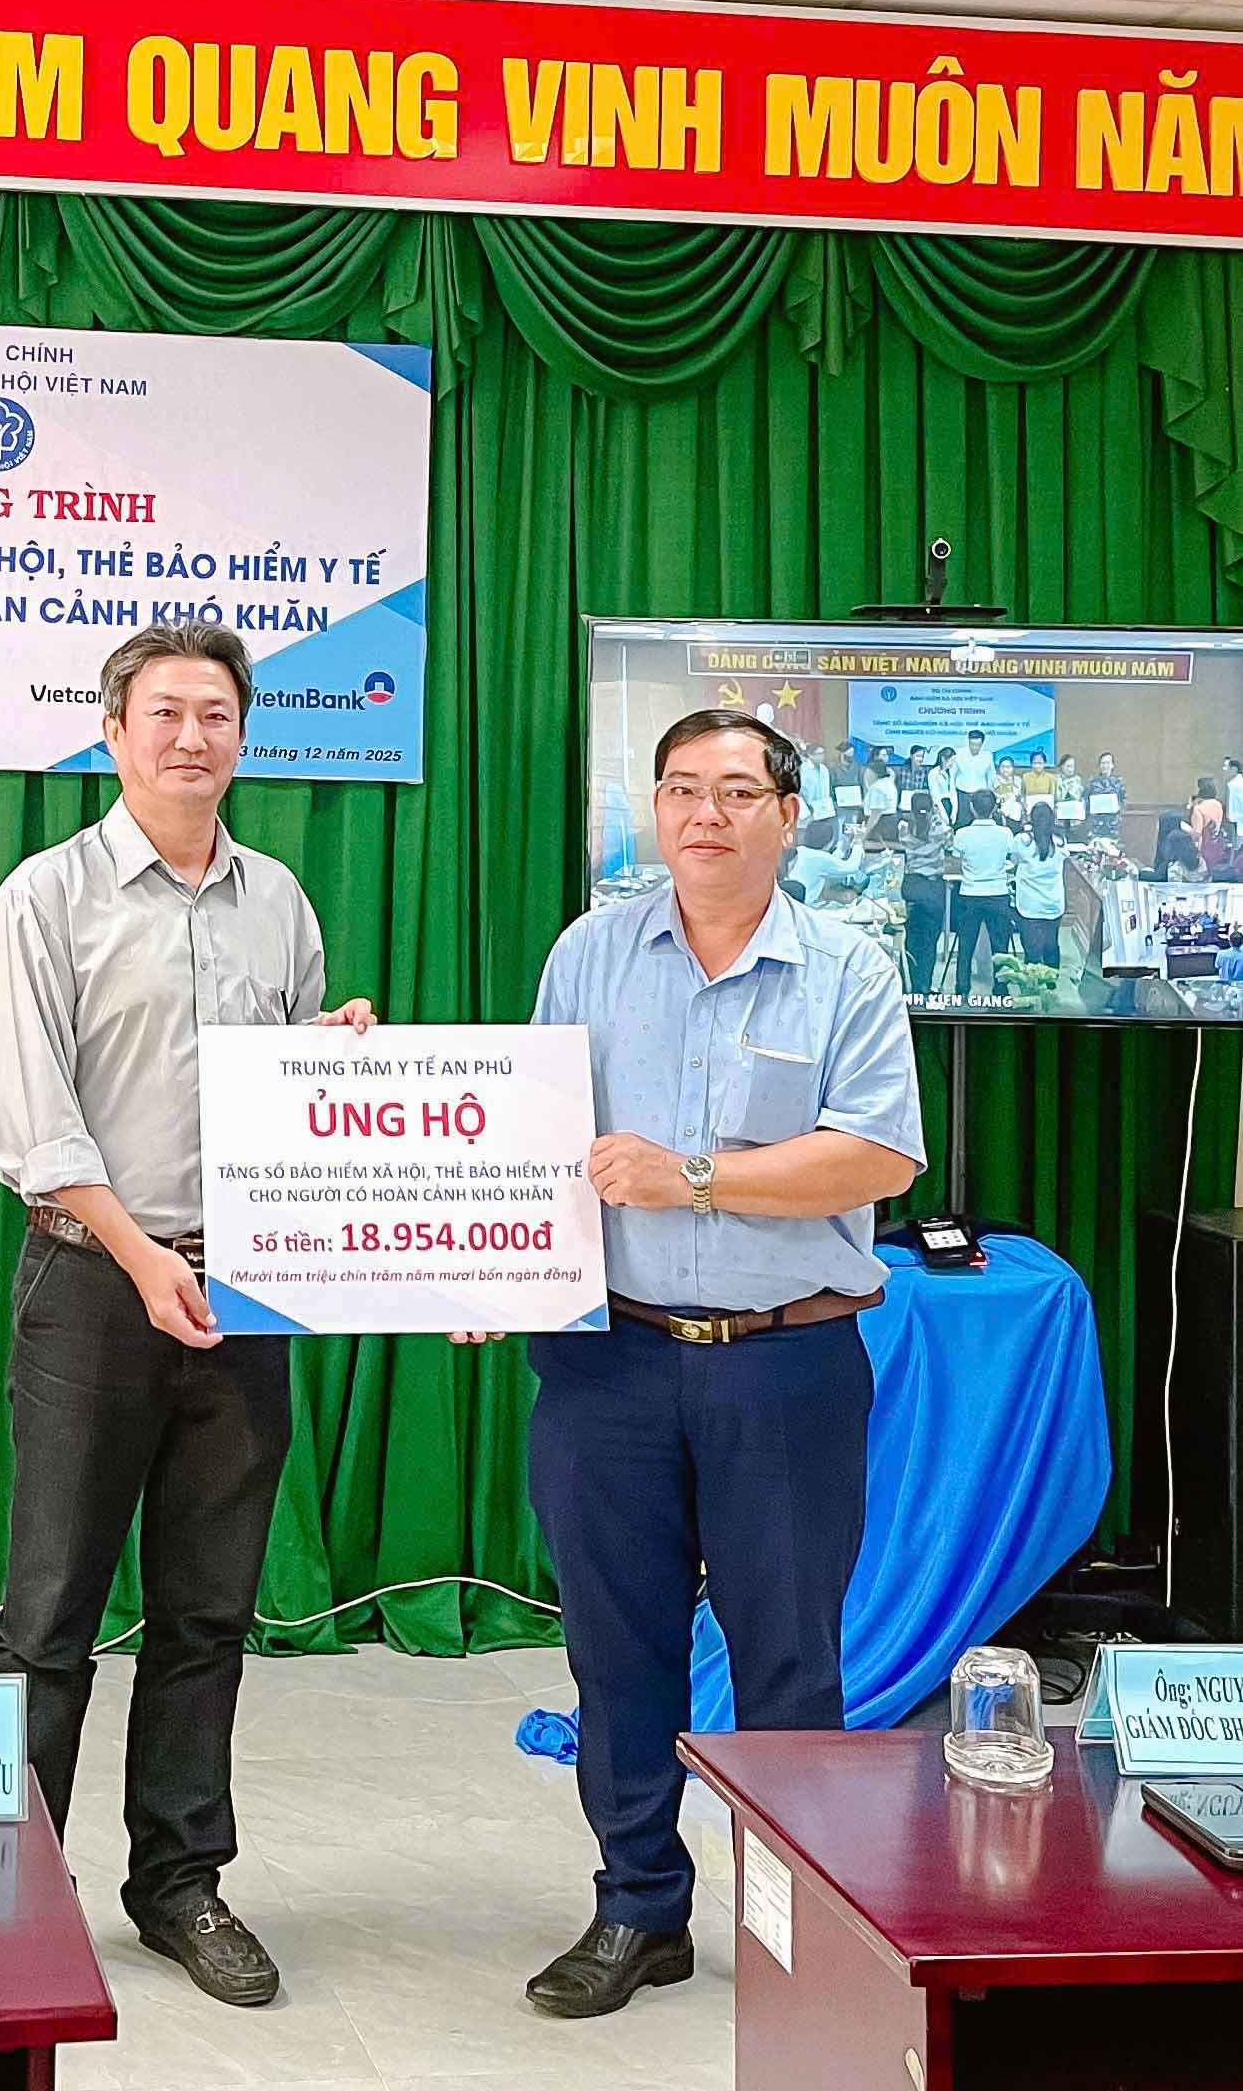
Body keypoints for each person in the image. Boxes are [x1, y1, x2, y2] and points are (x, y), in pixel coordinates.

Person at [474, 709, 923, 2021]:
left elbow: (878, 1156)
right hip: (607, 1361)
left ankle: (794, 1929)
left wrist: (695, 1178)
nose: (703, 814)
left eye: (734, 790)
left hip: (785, 1363)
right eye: (680, 789)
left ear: (787, 814)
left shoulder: (847, 969)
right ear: (654, 812)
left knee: (788, 1659)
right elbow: (533, 1138)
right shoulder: (590, 953)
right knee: (616, 1655)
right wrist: (480, 1265)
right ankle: (637, 1908)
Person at [0, 620, 375, 2009]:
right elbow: (34, 1121)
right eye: (165, 713)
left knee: (207, 1612)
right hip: (94, 1281)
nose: (192, 736)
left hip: (245, 1286)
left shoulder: (280, 901)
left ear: (244, 737)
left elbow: (283, 1102)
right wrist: (144, 1257)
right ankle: (6, 1897)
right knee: (48, 1616)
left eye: (216, 713)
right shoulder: (46, 895)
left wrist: (331, 1064)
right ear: (113, 733)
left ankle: (179, 1884)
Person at [951, 790, 1017, 996]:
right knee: (1000, 947)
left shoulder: (962, 834)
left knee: (966, 946)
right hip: (998, 894)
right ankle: (1001, 990)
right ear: (994, 808)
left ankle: (962, 989)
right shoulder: (1006, 833)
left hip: (969, 895)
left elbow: (955, 861)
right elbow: (1011, 858)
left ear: (972, 808)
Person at [898, 789, 950, 994]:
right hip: (932, 889)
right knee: (930, 941)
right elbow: (951, 842)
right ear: (932, 809)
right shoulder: (940, 830)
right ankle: (924, 986)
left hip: (911, 886)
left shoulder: (904, 828)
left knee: (912, 939)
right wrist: (939, 813)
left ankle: (909, 986)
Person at [1013, 802, 1065, 971]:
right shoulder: (1060, 841)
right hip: (1054, 905)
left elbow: (1014, 861)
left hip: (1029, 906)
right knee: (1052, 945)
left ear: (1031, 819)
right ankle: (1051, 981)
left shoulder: (1022, 841)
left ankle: (1032, 982)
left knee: (1032, 951)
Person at [786, 823, 868, 906]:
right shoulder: (820, 857)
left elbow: (830, 862)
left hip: (792, 895)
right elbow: (851, 867)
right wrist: (858, 843)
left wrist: (844, 845)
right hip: (805, 901)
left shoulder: (800, 850)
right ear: (829, 843)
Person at [952, 728, 998, 826]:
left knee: (981, 823)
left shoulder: (988, 756)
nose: (974, 748)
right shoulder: (959, 754)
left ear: (982, 744)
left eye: (977, 745)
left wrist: (993, 793)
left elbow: (991, 776)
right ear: (968, 741)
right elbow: (952, 776)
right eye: (971, 744)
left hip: (980, 796)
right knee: (962, 823)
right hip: (962, 795)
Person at [797, 741, 837, 849]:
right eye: (818, 754)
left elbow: (826, 791)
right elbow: (798, 791)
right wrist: (806, 807)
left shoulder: (824, 769)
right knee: (803, 836)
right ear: (810, 755)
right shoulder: (803, 769)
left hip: (822, 809)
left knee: (820, 837)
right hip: (807, 809)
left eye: (823, 753)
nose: (821, 756)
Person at [1086, 751, 1127, 840]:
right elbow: (1086, 802)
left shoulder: (1118, 782)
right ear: (1099, 766)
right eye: (1103, 763)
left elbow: (1124, 801)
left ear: (1112, 765)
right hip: (1096, 825)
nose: (1105, 766)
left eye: (1107, 763)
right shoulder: (1092, 782)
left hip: (1113, 825)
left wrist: (1118, 809)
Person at [862, 747, 899, 832]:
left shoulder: (879, 786)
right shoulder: (870, 773)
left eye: (886, 755)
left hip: (881, 820)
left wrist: (866, 832)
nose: (886, 757)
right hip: (884, 819)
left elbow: (876, 811)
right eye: (883, 755)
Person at [928, 745, 958, 828]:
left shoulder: (951, 772)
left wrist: (954, 811)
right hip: (939, 806)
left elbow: (953, 792)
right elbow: (935, 796)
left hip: (950, 804)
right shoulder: (933, 773)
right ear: (943, 759)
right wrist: (943, 813)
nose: (953, 763)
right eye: (952, 760)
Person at [993, 757, 1025, 825]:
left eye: (1008, 767)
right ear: (999, 768)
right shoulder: (994, 780)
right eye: (1003, 767)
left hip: (1014, 814)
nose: (1005, 769)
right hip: (999, 813)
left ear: (1013, 768)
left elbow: (1021, 798)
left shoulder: (1018, 780)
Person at [1226, 758, 1243, 840]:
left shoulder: (1232, 784)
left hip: (1236, 820)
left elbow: (1230, 803)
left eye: (1227, 767)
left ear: (1234, 769)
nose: (1225, 770)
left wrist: (1229, 815)